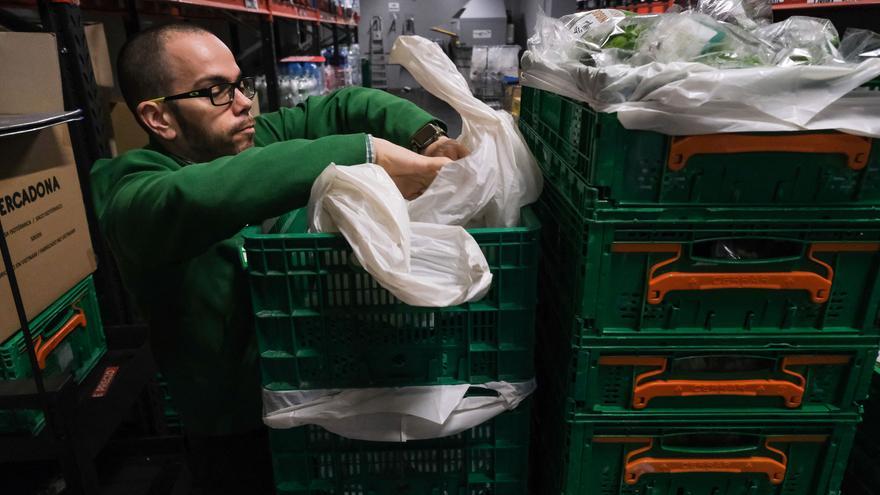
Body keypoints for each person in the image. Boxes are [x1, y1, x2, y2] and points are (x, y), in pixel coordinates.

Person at [89, 23, 469, 494]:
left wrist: (429, 139)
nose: (244, 101)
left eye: (239, 83)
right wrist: (366, 153)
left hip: (313, 393)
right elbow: (201, 197)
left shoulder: (253, 136)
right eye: (215, 91)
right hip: (234, 426)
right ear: (159, 118)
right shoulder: (131, 193)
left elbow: (343, 105)